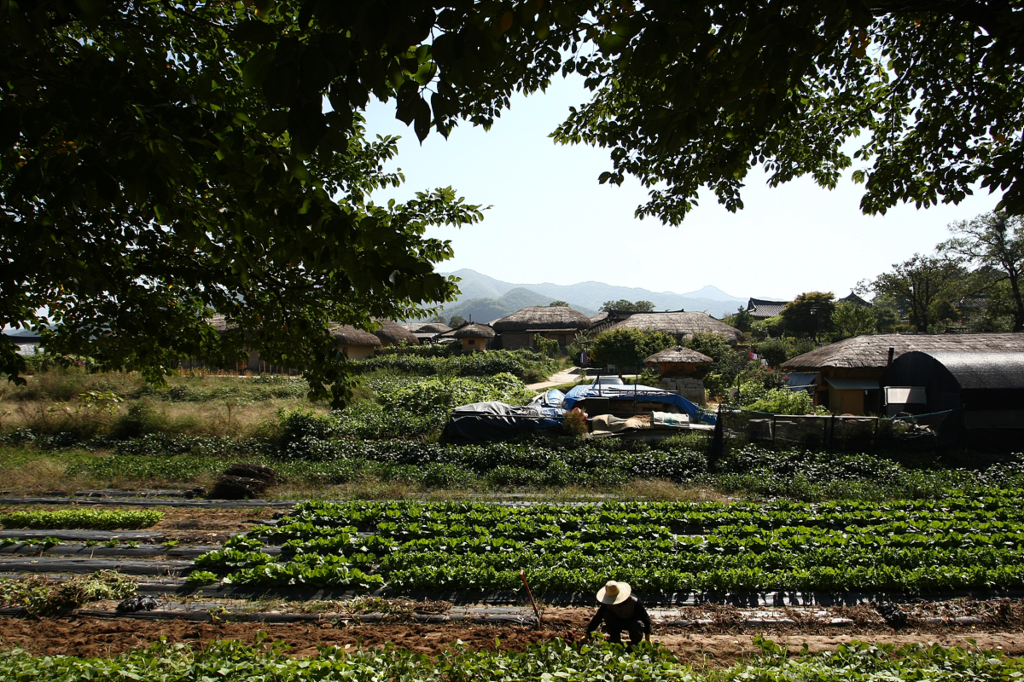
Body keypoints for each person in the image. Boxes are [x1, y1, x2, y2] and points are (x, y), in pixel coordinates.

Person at [586, 580, 651, 647]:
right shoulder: (607, 604)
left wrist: (647, 637)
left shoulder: (633, 601)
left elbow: (645, 618)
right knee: (607, 614)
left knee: (638, 624)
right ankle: (614, 638)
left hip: (632, 622)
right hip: (617, 621)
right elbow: (598, 618)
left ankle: (635, 643)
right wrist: (587, 634)